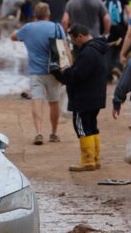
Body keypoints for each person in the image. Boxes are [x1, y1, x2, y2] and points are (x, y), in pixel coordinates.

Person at [51, 24, 109, 172]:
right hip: (96, 96)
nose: (74, 44)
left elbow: (78, 75)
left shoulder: (88, 52)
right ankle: (95, 159)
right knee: (92, 126)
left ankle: (87, 161)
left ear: (80, 36)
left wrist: (62, 73)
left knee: (83, 128)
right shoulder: (98, 49)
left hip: (84, 98)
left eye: (74, 40)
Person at [10, 3, 64, 145]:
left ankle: (38, 132)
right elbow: (64, 49)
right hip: (54, 71)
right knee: (54, 102)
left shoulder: (28, 28)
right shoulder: (57, 27)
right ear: (48, 14)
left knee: (37, 100)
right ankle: (53, 133)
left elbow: (13, 37)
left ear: (35, 15)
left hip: (35, 72)